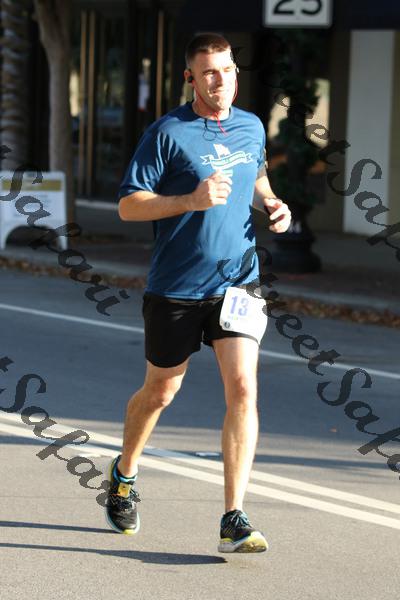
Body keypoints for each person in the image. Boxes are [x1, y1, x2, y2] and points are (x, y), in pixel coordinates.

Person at [105, 33, 291, 553]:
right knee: (161, 391)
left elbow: (256, 173)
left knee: (243, 389)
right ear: (191, 78)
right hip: (177, 286)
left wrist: (272, 203)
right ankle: (124, 475)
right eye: (209, 72)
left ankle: (234, 516)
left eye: (227, 70)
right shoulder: (167, 133)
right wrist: (190, 199)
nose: (220, 80)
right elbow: (129, 205)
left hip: (239, 281)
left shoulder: (251, 125)